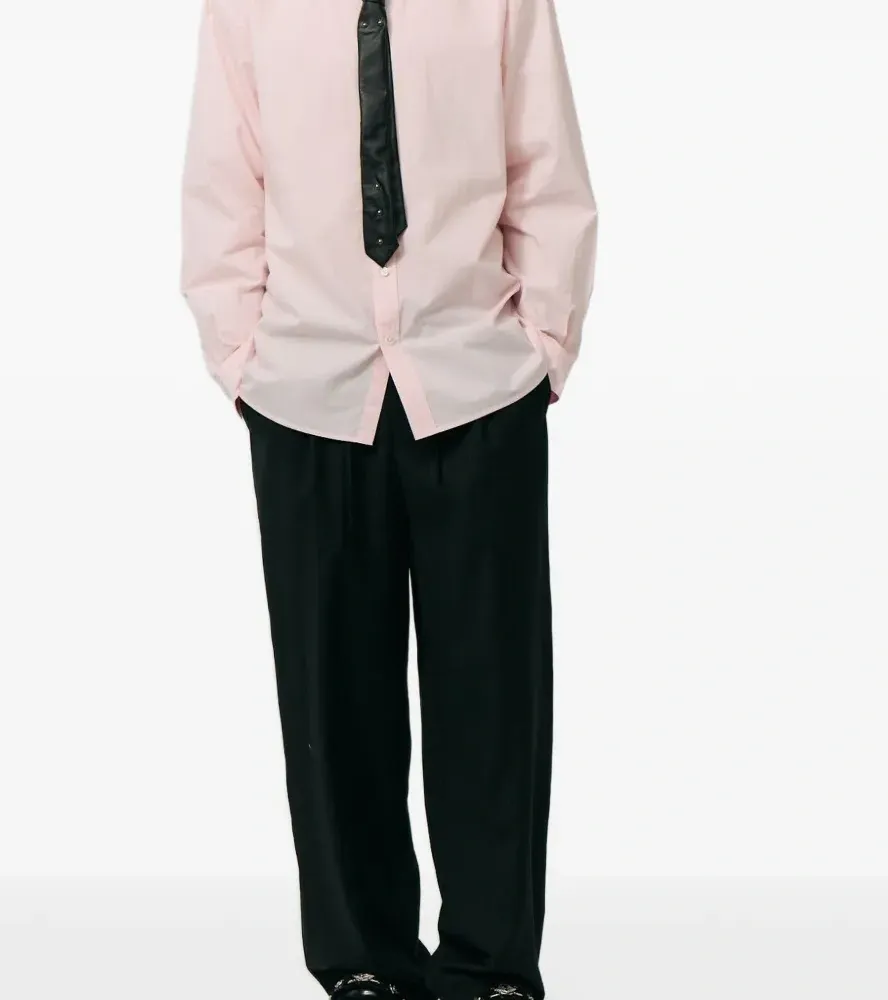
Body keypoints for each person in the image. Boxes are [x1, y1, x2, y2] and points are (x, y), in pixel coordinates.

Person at [179, 2, 597, 1000]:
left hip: (476, 380)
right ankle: (363, 961)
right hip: (306, 387)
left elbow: (546, 168)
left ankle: (490, 966)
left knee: (492, 695)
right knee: (333, 700)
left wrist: (541, 348)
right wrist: (242, 361)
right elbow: (224, 182)